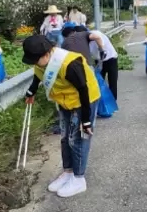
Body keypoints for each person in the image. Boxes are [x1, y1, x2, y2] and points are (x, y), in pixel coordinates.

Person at [23, 35, 100, 198]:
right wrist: (31, 91)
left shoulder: (70, 64)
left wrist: (86, 120)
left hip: (84, 101)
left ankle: (79, 179)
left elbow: (84, 90)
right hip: (64, 100)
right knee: (65, 137)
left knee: (78, 138)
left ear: (46, 54)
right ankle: (68, 172)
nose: (34, 64)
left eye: (35, 60)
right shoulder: (41, 62)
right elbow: (38, 75)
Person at [87, 29, 119, 100]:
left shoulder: (95, 33)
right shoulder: (83, 41)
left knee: (112, 81)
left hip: (111, 58)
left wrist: (101, 50)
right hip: (99, 61)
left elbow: (100, 41)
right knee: (99, 82)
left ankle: (112, 102)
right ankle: (101, 102)